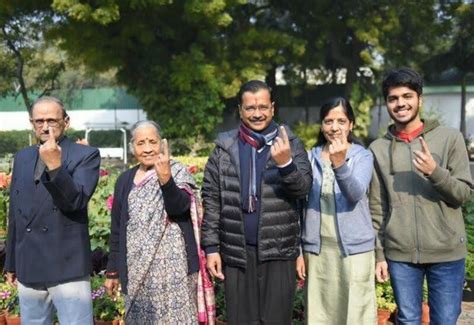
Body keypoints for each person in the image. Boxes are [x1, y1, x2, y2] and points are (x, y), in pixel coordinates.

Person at [201, 80, 312, 325]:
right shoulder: (224, 148)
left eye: (263, 106)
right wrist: (211, 248)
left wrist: (286, 164)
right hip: (236, 252)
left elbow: (303, 189)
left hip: (279, 250)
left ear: (273, 107)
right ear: (240, 110)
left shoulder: (290, 144)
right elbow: (211, 199)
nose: (257, 113)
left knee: (276, 320)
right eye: (250, 108)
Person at [369, 67, 474, 325]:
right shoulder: (378, 149)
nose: (400, 103)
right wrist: (379, 254)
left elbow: (462, 194)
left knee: (446, 320)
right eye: (393, 98)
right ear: (387, 103)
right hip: (400, 254)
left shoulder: (450, 138)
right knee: (407, 320)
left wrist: (434, 172)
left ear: (420, 99)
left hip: (447, 253)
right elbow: (376, 207)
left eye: (407, 96)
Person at [104, 121, 214, 324]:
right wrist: (113, 271)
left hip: (176, 272)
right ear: (132, 147)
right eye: (141, 143)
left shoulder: (177, 171)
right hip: (137, 271)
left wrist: (166, 179)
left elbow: (179, 209)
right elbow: (117, 229)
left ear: (162, 144)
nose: (147, 149)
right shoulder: (124, 180)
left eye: (152, 142)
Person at [4, 96, 101, 324]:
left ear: (66, 122)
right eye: (39, 121)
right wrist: (12, 262)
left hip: (67, 265)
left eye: (52, 120)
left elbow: (76, 201)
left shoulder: (85, 155)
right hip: (29, 264)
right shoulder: (23, 157)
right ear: (32, 123)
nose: (45, 127)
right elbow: (16, 213)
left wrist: (55, 166)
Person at [298, 97, 376, 324]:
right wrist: (298, 250)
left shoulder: (362, 156)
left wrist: (340, 163)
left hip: (354, 250)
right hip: (318, 251)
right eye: (328, 121)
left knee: (355, 314)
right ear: (321, 125)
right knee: (320, 313)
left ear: (351, 124)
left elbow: (355, 193)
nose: (334, 127)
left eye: (341, 121)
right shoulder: (310, 158)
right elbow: (298, 206)